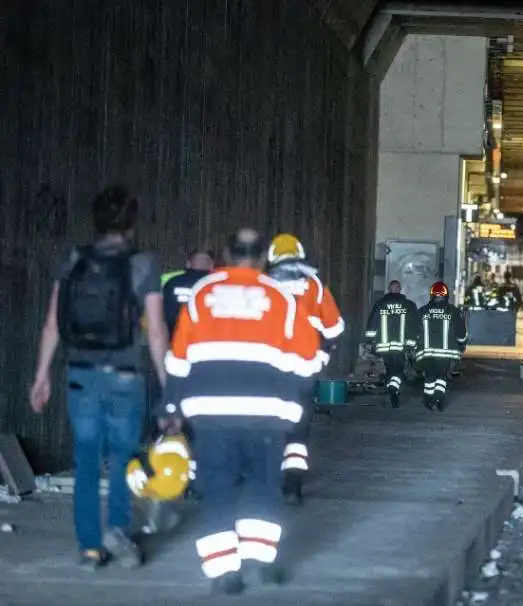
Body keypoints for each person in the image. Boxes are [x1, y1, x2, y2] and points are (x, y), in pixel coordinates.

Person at [160, 228, 326, 596]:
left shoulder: (203, 293)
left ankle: (223, 572)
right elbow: (307, 358)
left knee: (217, 486)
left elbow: (179, 356)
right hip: (265, 413)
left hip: (211, 412)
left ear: (226, 254)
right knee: (263, 485)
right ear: (263, 258)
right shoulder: (281, 298)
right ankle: (261, 562)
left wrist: (170, 404)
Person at [29, 185, 169, 569]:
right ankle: (119, 529)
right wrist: (168, 384)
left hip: (80, 374)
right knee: (123, 457)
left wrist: (42, 375)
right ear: (131, 223)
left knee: (86, 459)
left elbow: (52, 323)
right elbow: (155, 331)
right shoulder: (143, 264)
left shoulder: (73, 259)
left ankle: (90, 548)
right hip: (125, 376)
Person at [265, 233, 344, 505]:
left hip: (268, 369)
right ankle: (293, 484)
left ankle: (263, 478)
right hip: (302, 370)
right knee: (298, 430)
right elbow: (335, 328)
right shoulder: (315, 287)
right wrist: (323, 354)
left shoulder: (263, 286)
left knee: (269, 423)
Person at [364, 280, 419, 408]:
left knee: (390, 369)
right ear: (399, 289)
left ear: (389, 289)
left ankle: (392, 387)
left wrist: (369, 341)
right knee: (399, 369)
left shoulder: (380, 304)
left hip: (384, 346)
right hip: (401, 346)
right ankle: (394, 388)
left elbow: (372, 324)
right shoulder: (409, 305)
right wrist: (413, 342)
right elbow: (415, 325)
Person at [415, 281, 468, 411]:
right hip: (445, 353)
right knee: (441, 376)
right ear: (446, 295)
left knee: (429, 376)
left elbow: (414, 331)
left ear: (432, 295)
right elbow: (461, 332)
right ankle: (438, 398)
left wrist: (413, 347)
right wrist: (461, 345)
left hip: (427, 353)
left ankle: (428, 400)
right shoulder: (453, 311)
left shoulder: (422, 311)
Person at [162, 250, 215, 337]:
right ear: (212, 265)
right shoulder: (219, 284)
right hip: (209, 339)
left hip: (176, 337)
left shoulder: (172, 282)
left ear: (188, 264)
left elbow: (164, 313)